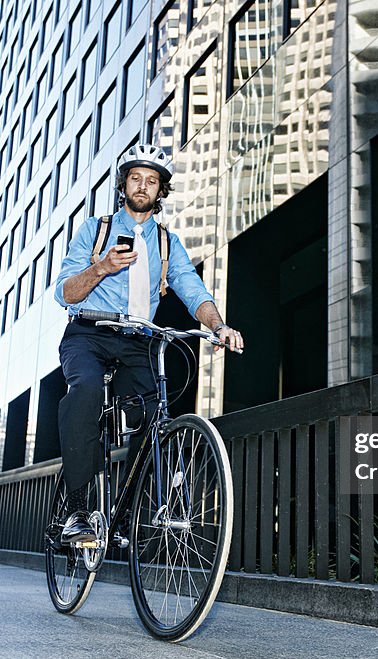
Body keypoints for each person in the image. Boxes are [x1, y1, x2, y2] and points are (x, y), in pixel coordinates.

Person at [53, 143, 244, 543]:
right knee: (85, 391)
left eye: (152, 181)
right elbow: (66, 293)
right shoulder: (95, 229)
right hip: (88, 334)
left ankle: (128, 505)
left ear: (161, 191)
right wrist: (102, 266)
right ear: (124, 185)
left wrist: (219, 326)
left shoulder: (165, 244)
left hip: (137, 340)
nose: (143, 186)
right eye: (136, 178)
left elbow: (193, 291)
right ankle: (77, 510)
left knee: (154, 411)